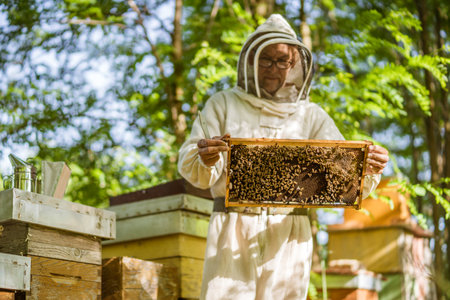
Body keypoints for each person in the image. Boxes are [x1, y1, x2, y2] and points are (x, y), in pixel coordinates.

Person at [178, 14, 389, 300]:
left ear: (295, 65)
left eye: (283, 61)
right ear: (251, 61)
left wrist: (367, 168)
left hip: (290, 232)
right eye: (266, 60)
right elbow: (194, 167)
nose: (274, 68)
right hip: (233, 229)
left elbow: (344, 180)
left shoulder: (311, 115)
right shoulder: (223, 103)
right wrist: (207, 158)